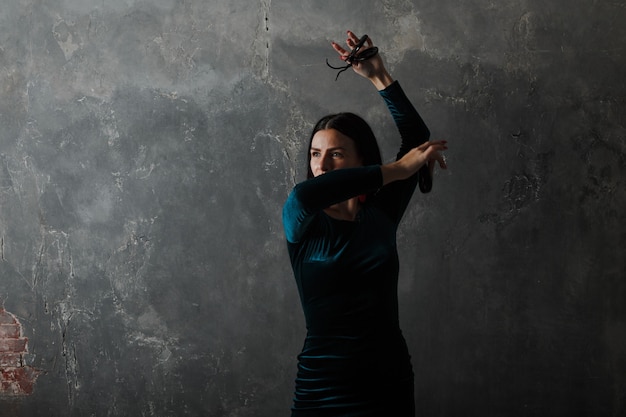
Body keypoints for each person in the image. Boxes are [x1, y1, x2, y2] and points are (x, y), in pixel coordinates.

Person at [282, 30, 448, 417]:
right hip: (321, 388)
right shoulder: (303, 221)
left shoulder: (380, 215)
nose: (320, 166)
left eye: (336, 154)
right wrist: (396, 169)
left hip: (387, 383)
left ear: (362, 160)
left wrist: (379, 76)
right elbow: (305, 194)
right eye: (315, 154)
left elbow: (416, 139)